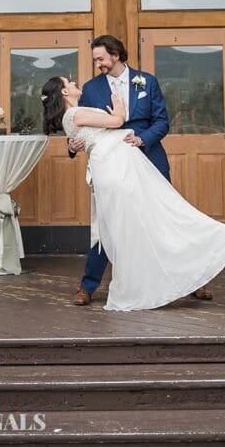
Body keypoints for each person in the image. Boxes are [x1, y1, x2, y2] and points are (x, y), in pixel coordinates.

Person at [41, 74, 225, 313]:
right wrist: (118, 108)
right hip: (117, 168)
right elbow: (116, 121)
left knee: (157, 216)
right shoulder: (80, 105)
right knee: (154, 218)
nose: (76, 82)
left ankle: (216, 250)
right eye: (69, 82)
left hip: (125, 163)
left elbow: (154, 122)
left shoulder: (143, 82)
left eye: (101, 57)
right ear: (64, 92)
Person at [68, 35, 215, 305]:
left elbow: (162, 122)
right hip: (112, 165)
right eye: (95, 59)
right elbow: (83, 128)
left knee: (164, 222)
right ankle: (88, 286)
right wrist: (73, 143)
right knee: (107, 222)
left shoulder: (147, 81)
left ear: (115, 54)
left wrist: (141, 139)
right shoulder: (91, 88)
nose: (98, 63)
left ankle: (194, 280)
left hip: (148, 158)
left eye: (101, 58)